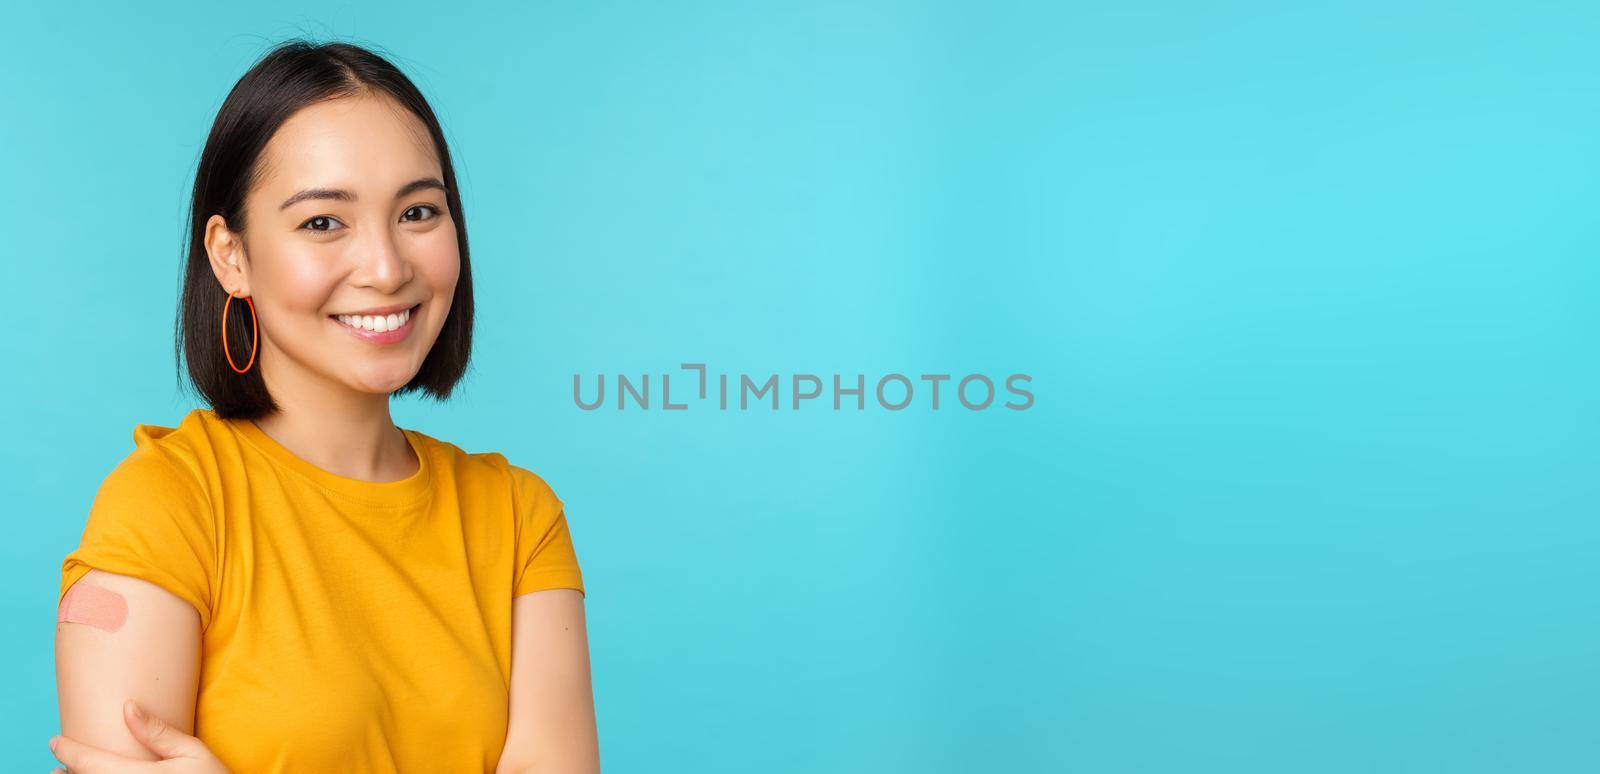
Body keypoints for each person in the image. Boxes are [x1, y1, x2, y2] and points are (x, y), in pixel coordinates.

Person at [49, 39, 599, 773]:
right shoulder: (168, 507)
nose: (385, 266)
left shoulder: (519, 521)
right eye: (322, 222)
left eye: (419, 211)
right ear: (230, 256)